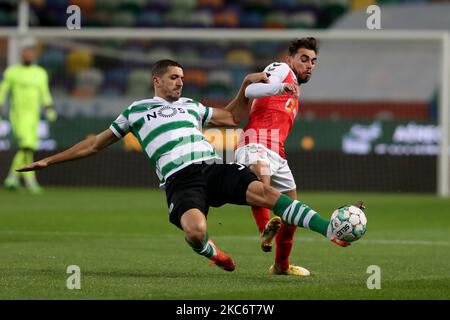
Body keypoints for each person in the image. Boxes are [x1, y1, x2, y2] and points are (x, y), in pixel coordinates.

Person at [17, 59, 355, 272]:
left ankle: (330, 229)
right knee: (194, 232)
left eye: (181, 78)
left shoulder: (192, 106)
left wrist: (245, 87)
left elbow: (234, 117)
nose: (180, 82)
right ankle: (212, 253)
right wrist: (50, 159)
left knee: (265, 191)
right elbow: (94, 143)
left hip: (211, 166)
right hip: (181, 180)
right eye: (174, 78)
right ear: (158, 81)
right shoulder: (136, 111)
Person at [235, 37, 325, 276]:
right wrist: (279, 87)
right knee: (263, 186)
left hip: (278, 151)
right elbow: (250, 90)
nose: (309, 65)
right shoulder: (281, 70)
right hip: (255, 141)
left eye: (313, 62)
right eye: (304, 59)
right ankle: (265, 229)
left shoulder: (294, 89)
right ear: (290, 59)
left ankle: (281, 266)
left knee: (291, 212)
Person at [0, 39, 57, 194]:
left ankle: (15, 178)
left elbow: (44, 92)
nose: (28, 54)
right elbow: (3, 90)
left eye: (31, 52)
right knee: (27, 146)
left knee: (28, 149)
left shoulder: (40, 73)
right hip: (18, 115)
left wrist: (49, 108)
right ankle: (25, 180)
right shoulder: (12, 72)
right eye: (26, 52)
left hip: (34, 116)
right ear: (22, 54)